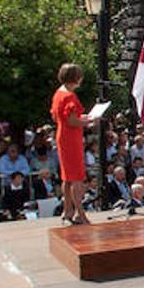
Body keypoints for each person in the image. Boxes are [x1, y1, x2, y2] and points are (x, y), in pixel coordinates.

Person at [50, 64, 96, 225]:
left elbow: (60, 118)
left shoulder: (59, 93)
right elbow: (71, 120)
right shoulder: (69, 96)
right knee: (76, 177)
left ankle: (67, 210)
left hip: (63, 136)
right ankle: (79, 213)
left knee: (67, 177)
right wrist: (88, 121)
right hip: (71, 138)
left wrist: (82, 119)